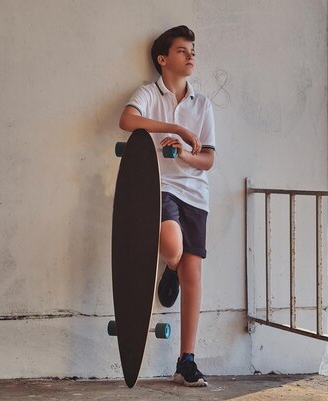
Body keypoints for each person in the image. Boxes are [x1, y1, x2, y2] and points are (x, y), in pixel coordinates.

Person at [118, 25, 215, 387]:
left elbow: (208, 160)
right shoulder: (148, 93)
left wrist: (187, 154)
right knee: (172, 246)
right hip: (159, 188)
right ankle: (170, 266)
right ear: (163, 59)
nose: (190, 56)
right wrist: (172, 128)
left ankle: (186, 361)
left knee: (194, 274)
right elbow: (127, 120)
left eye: (192, 50)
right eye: (181, 50)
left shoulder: (202, 103)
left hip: (196, 194)